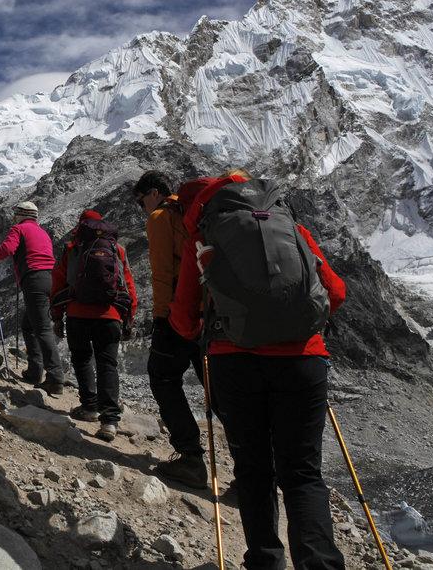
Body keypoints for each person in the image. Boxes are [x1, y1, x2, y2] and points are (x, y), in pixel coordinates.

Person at [170, 170, 346, 569]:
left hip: (236, 365)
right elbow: (336, 292)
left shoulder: (206, 238)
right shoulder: (293, 228)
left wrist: (214, 323)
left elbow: (181, 318)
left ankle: (265, 561)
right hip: (304, 361)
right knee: (302, 474)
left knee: (253, 471)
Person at [132, 170, 208, 488]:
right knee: (218, 388)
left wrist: (163, 316)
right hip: (211, 313)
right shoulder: (192, 214)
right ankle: (255, 467)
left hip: (179, 311)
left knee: (163, 376)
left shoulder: (162, 216)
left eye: (141, 201)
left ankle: (190, 458)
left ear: (152, 193)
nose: (142, 208)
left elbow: (163, 272)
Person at [50, 209, 137, 441]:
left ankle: (89, 407)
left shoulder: (72, 248)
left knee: (82, 358)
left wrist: (57, 316)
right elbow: (128, 285)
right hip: (110, 315)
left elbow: (58, 283)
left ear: (81, 226)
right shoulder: (117, 249)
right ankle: (109, 421)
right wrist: (129, 318)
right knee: (107, 364)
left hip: (77, 313)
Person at [0, 201, 63, 394]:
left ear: (20, 214)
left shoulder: (19, 229)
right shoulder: (42, 232)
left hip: (34, 279)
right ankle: (35, 371)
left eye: (15, 214)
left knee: (42, 328)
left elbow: (8, 249)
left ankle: (55, 377)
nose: (14, 217)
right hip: (50, 279)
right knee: (29, 325)